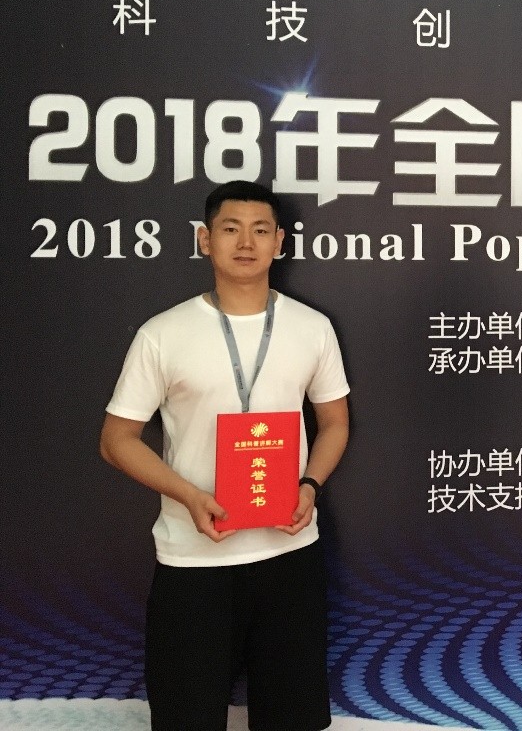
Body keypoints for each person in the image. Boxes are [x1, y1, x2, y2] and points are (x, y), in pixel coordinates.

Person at [101, 180, 350, 731]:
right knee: (186, 717)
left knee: (292, 718)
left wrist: (309, 486)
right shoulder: (163, 334)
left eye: (260, 230)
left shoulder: (313, 328)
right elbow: (116, 440)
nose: (245, 243)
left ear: (279, 242)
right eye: (230, 229)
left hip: (289, 553)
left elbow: (334, 424)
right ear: (204, 239)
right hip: (194, 561)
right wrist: (189, 495)